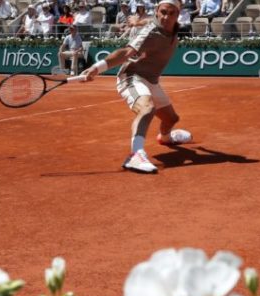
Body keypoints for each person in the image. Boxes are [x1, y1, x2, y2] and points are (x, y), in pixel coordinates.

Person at [81, 0, 193, 174]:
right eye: (163, 12)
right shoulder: (150, 32)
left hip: (151, 80)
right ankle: (136, 155)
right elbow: (126, 53)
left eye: (171, 13)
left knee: (171, 119)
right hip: (132, 77)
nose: (166, 17)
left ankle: (166, 138)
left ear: (177, 15)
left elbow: (148, 20)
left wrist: (136, 21)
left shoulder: (174, 29)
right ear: (157, 11)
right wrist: (98, 67)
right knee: (147, 108)